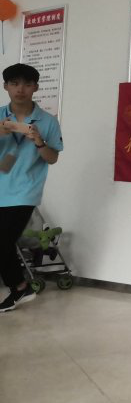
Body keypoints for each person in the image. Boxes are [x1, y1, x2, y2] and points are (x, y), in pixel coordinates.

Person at [0, 64, 63, 313]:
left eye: (27, 84)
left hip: (25, 191)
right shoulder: (0, 116)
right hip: (1, 185)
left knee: (3, 241)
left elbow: (52, 158)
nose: (20, 89)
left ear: (35, 87)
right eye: (14, 83)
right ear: (5, 86)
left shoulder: (47, 121)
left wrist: (39, 141)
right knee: (4, 242)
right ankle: (20, 286)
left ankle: (20, 286)